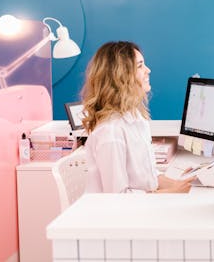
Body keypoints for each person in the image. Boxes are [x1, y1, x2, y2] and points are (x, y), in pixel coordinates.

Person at [81, 41, 192, 193]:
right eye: (140, 66)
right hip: (118, 215)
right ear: (120, 77)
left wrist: (182, 184)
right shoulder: (111, 132)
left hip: (139, 209)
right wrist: (172, 192)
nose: (148, 70)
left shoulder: (136, 118)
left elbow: (149, 178)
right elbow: (118, 198)